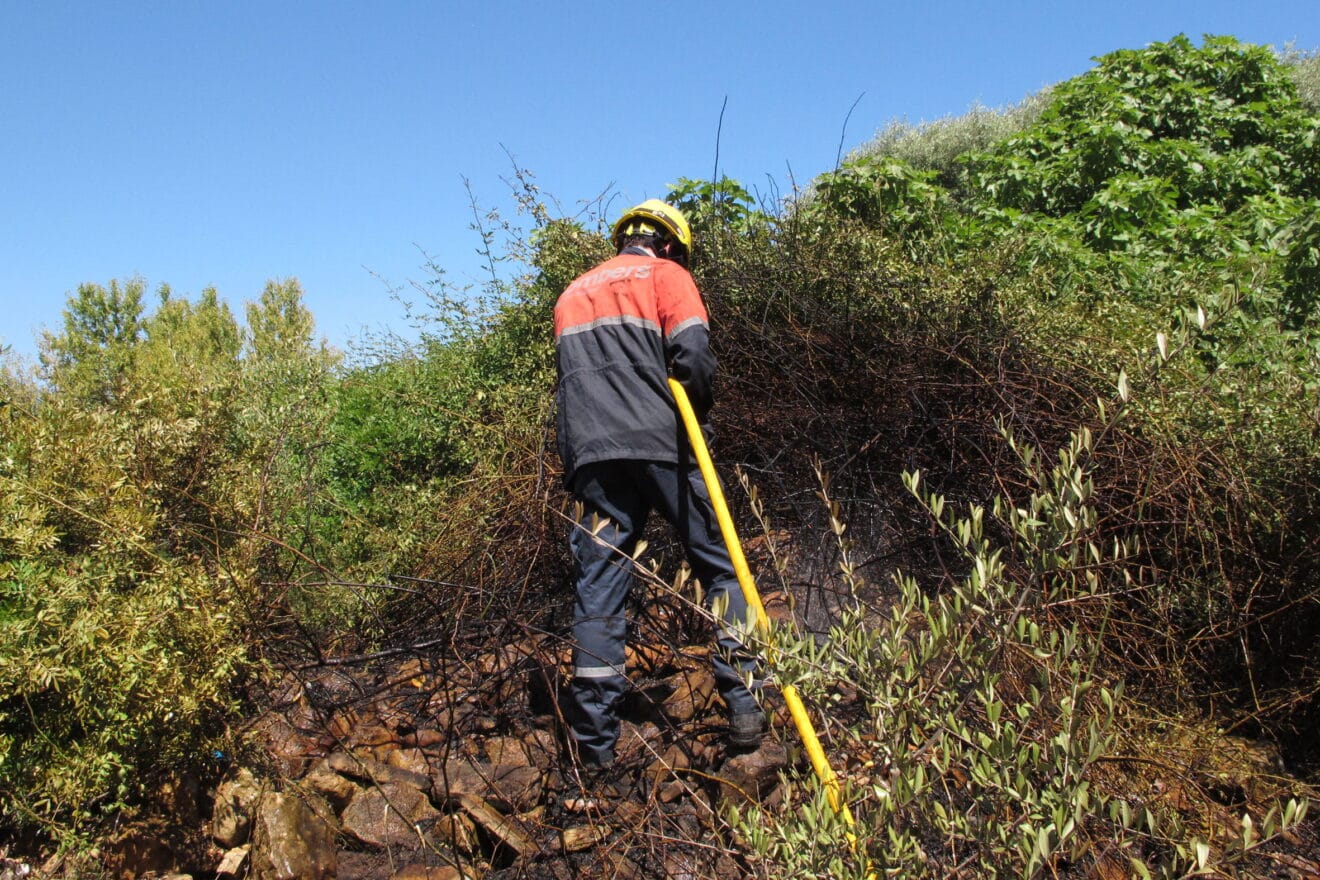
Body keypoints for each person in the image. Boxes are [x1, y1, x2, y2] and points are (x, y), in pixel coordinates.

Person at [553, 199, 765, 806]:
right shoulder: (668, 276)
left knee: (598, 593)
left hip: (592, 460)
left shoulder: (571, 294)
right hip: (664, 444)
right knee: (720, 566)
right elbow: (694, 359)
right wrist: (693, 416)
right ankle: (746, 711)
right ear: (670, 244)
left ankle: (594, 750)